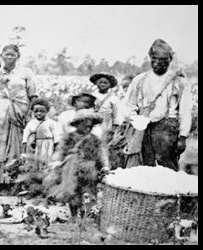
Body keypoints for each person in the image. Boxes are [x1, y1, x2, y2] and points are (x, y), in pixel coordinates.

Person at [122, 39, 193, 171]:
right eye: (155, 59)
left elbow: (185, 110)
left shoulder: (179, 82)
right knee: (144, 164)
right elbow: (128, 103)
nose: (158, 63)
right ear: (150, 58)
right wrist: (134, 118)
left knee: (167, 166)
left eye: (163, 59)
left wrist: (183, 137)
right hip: (143, 127)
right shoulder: (140, 80)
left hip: (167, 129)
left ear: (169, 60)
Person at [0, 44, 37, 184]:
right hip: (0, 111)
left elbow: (33, 95)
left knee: (19, 142)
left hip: (20, 110)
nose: (9, 57)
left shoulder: (26, 73)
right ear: (1, 56)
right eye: (6, 54)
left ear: (18, 56)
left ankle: (17, 179)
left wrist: (29, 113)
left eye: (12, 55)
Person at [43, 109, 109, 219]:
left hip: (89, 170)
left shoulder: (95, 139)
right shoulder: (69, 137)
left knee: (88, 192)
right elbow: (61, 150)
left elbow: (102, 153)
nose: (88, 128)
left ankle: (85, 215)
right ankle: (74, 215)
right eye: (85, 125)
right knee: (72, 192)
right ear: (78, 124)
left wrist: (105, 166)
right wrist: (56, 162)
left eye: (90, 126)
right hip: (71, 169)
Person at [89, 72, 121, 170]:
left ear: (110, 85)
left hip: (106, 124)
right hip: (93, 123)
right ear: (96, 83)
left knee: (105, 145)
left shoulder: (114, 98)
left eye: (105, 83)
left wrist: (114, 128)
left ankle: (105, 167)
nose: (102, 85)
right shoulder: (92, 96)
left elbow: (117, 114)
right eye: (100, 82)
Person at [22, 98, 58, 169]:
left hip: (47, 146)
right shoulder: (31, 123)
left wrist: (56, 149)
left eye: (42, 111)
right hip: (33, 147)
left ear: (47, 111)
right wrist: (25, 148)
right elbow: (25, 137)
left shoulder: (51, 123)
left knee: (47, 163)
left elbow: (56, 136)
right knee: (34, 164)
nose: (39, 113)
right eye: (36, 111)